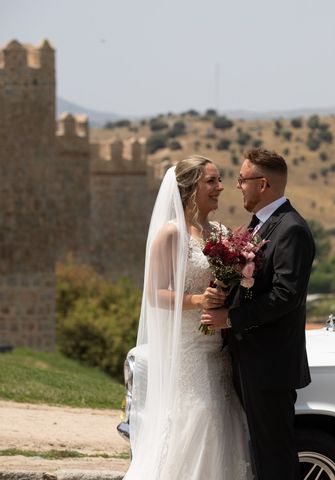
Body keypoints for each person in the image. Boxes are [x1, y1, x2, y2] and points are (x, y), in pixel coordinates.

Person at [124, 155, 251, 479]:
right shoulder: (171, 234)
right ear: (189, 187)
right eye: (212, 181)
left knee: (224, 425)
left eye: (220, 180)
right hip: (189, 353)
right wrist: (198, 300)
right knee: (199, 422)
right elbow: (154, 294)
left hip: (218, 353)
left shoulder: (221, 233)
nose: (220, 187)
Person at [201, 148, 315, 480]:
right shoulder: (258, 226)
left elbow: (286, 296)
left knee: (275, 456)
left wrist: (232, 318)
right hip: (250, 360)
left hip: (270, 365)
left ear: (262, 184)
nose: (237, 186)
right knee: (260, 454)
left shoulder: (291, 229)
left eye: (242, 179)